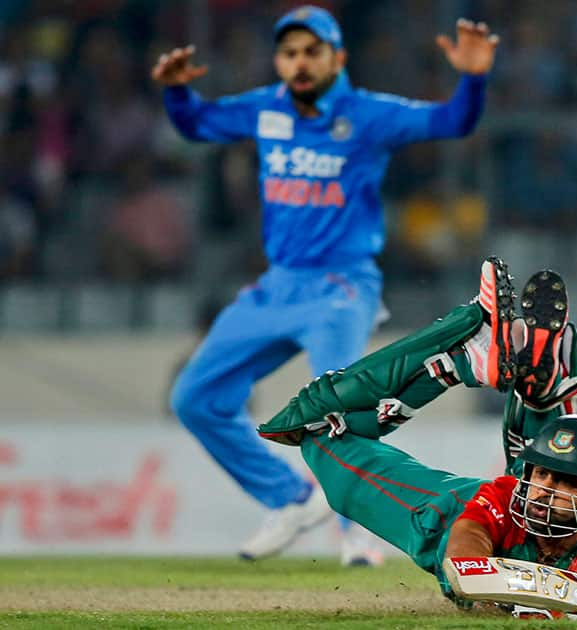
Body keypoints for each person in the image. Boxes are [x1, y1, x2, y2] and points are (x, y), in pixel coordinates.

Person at [151, 5, 500, 564]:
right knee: (195, 398)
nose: (300, 63)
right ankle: (290, 497)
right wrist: (175, 95)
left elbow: (451, 122)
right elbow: (198, 125)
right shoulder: (265, 108)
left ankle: (358, 535)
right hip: (278, 285)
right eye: (290, 53)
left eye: (313, 52)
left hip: (341, 287)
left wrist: (474, 77)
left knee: (338, 411)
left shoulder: (367, 114)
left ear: (338, 58)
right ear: (278, 61)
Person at [257, 257, 577, 623]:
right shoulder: (507, 495)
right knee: (312, 425)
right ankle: (485, 359)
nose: (548, 487)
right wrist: (505, 597)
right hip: (445, 515)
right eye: (543, 475)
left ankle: (502, 373)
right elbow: (464, 558)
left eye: (568, 481)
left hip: (502, 538)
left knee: (321, 426)